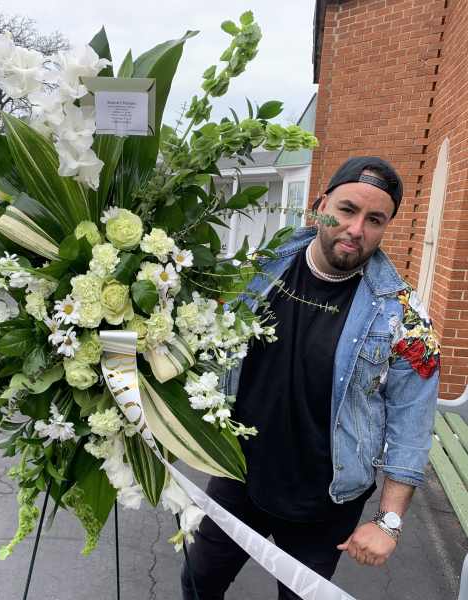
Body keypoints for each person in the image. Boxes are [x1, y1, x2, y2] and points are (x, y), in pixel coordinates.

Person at [180, 156, 440, 600]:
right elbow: (197, 340)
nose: (356, 229)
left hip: (327, 502)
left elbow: (412, 424)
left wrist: (389, 522)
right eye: (346, 209)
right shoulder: (255, 270)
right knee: (199, 580)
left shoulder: (404, 317)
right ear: (320, 206)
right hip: (238, 474)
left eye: (374, 219)